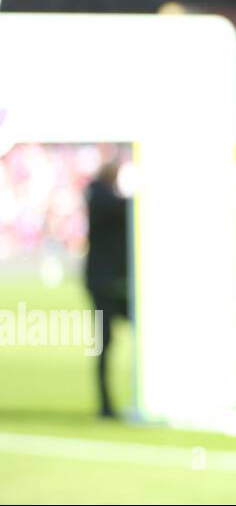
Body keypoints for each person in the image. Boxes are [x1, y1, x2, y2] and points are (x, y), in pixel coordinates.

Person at [83, 157, 131, 419]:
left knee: (106, 341)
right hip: (104, 282)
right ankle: (105, 405)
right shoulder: (100, 196)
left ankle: (107, 404)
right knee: (104, 342)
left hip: (109, 281)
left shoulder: (102, 196)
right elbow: (119, 208)